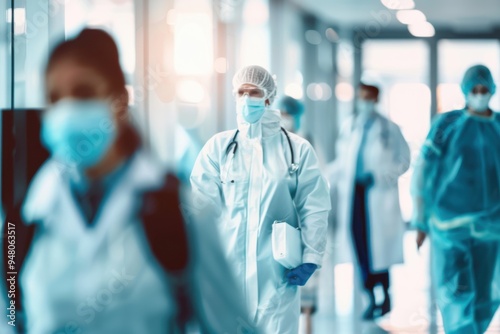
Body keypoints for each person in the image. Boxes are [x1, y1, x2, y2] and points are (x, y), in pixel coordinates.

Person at [2, 28, 255, 334]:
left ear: (119, 100)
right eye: (55, 98)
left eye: (83, 93)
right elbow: (11, 320)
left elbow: (232, 327)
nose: (67, 111)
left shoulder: (177, 211)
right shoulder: (24, 222)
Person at [190, 65, 331, 333]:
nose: (246, 99)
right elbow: (202, 210)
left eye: (253, 92)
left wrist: (311, 255)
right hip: (228, 274)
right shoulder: (218, 149)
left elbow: (314, 205)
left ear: (268, 98)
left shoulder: (297, 150)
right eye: (241, 92)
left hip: (277, 276)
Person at [411, 64, 500, 334]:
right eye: (475, 89)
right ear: (465, 91)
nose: (480, 94)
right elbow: (424, 173)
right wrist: (420, 219)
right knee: (456, 290)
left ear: (493, 90)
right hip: (450, 226)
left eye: (484, 89)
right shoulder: (447, 124)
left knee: (486, 292)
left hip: (492, 227)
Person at [329, 83, 410, 320]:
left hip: (376, 194)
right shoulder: (350, 126)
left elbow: (404, 160)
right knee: (360, 246)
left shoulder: (389, 128)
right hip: (353, 196)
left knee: (379, 250)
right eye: (361, 97)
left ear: (376, 99)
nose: (364, 102)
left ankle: (384, 294)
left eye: (369, 98)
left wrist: (380, 176)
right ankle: (370, 297)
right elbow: (341, 162)